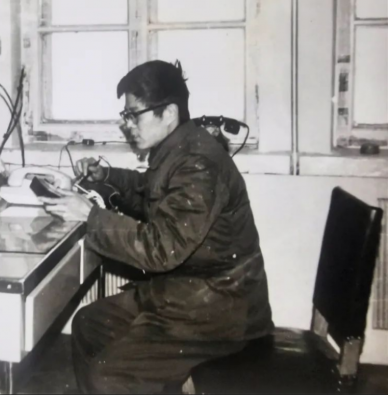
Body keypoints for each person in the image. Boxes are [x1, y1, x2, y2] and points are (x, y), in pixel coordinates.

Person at [39, 60, 274, 394]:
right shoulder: (178, 148)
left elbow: (162, 249)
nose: (128, 124)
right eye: (126, 115)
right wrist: (105, 177)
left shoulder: (198, 163)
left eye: (134, 115)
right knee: (89, 325)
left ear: (169, 113)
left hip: (220, 307)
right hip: (187, 293)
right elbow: (149, 192)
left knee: (108, 376)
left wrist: (90, 216)